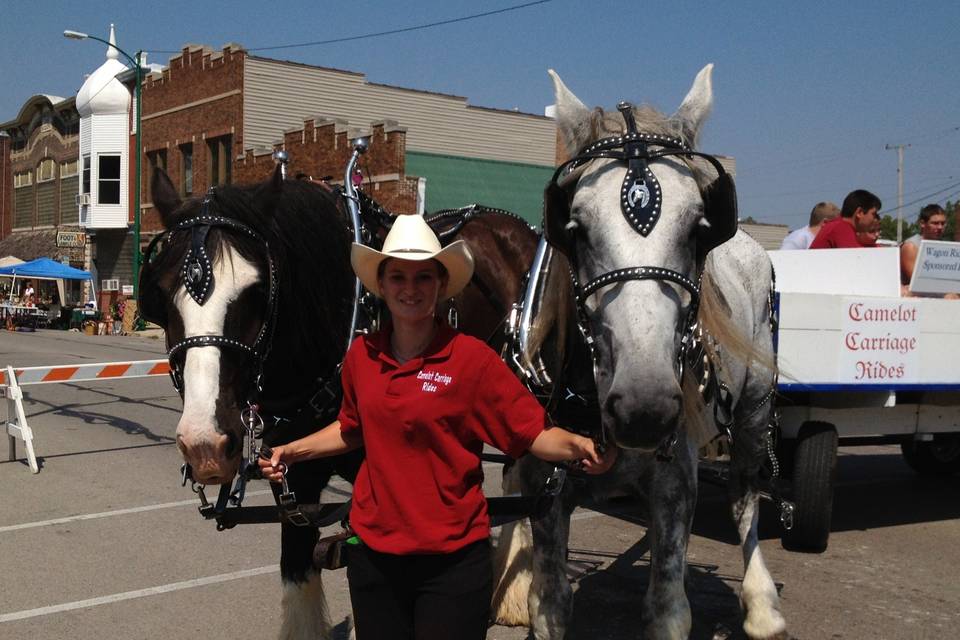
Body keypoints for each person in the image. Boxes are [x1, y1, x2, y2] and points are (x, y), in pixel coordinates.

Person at [259, 214, 617, 640]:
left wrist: (579, 444)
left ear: (441, 286)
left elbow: (532, 432)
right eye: (398, 277)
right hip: (374, 560)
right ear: (383, 285)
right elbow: (352, 428)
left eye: (423, 277)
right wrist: (292, 451)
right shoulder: (361, 356)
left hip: (452, 566)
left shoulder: (472, 360)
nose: (410, 289)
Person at [809, 189, 882, 249]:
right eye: (874, 214)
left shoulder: (839, 225)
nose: (875, 219)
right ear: (859, 212)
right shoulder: (841, 227)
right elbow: (858, 257)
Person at [900, 204, 948, 284]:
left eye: (943, 223)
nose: (940, 227)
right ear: (922, 223)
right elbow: (917, 282)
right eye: (935, 223)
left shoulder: (944, 247)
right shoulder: (911, 246)